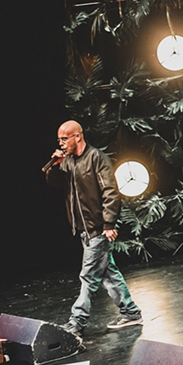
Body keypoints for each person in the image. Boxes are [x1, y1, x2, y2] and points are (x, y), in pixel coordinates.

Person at [45, 120, 142, 336]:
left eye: (64, 139)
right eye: (59, 140)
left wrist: (108, 223)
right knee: (108, 273)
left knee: (88, 276)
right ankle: (131, 312)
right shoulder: (67, 161)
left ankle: (77, 322)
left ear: (77, 136)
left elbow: (110, 191)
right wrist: (54, 164)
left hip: (97, 228)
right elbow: (55, 182)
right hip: (83, 229)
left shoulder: (96, 158)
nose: (61, 143)